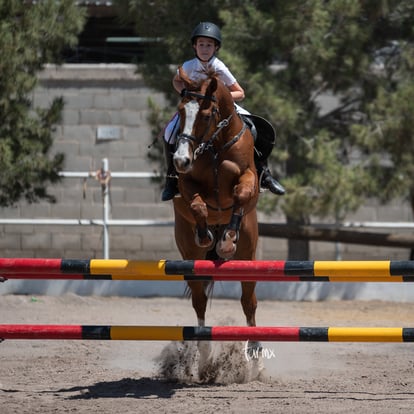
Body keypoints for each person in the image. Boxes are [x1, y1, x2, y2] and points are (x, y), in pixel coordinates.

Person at [161, 21, 285, 201]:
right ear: (195, 46)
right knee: (169, 133)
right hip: (195, 110)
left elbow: (240, 92)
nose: (204, 49)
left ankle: (264, 174)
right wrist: (183, 92)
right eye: (201, 44)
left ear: (216, 48)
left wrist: (220, 98)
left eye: (209, 45)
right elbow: (176, 81)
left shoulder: (219, 67)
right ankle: (171, 178)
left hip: (222, 109)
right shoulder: (188, 66)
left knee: (253, 130)